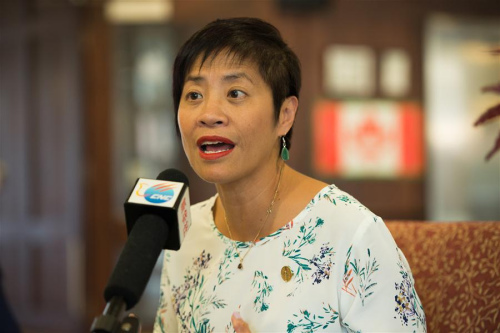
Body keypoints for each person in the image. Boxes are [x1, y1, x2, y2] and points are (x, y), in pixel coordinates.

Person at [153, 17, 426, 332]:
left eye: (235, 93)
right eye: (194, 95)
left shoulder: (350, 233)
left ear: (284, 115)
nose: (209, 114)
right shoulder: (185, 235)